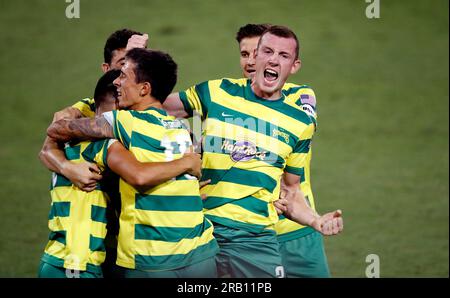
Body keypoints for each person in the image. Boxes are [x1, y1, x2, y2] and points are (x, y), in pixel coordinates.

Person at [162, 25, 343, 278]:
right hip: (203, 232)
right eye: (265, 52)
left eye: (283, 55)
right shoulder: (216, 93)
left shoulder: (299, 117)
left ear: (295, 66)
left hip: (259, 238)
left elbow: (291, 189)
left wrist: (316, 221)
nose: (272, 59)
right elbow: (155, 106)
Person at [47, 48, 219, 277]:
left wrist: (75, 110)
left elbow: (57, 129)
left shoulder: (123, 121)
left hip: (153, 257)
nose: (116, 81)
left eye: (123, 76)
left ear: (144, 89)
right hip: (200, 251)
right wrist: (186, 165)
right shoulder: (182, 129)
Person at [39, 28, 147, 277]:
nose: (126, 73)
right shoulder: (86, 112)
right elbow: (48, 143)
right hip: (82, 259)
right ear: (106, 68)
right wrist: (69, 168)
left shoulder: (136, 112)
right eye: (122, 64)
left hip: (96, 253)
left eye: (134, 65)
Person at [235, 23, 331, 277]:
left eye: (259, 52)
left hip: (296, 230)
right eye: (245, 54)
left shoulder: (300, 96)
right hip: (247, 237)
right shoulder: (223, 100)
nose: (251, 61)